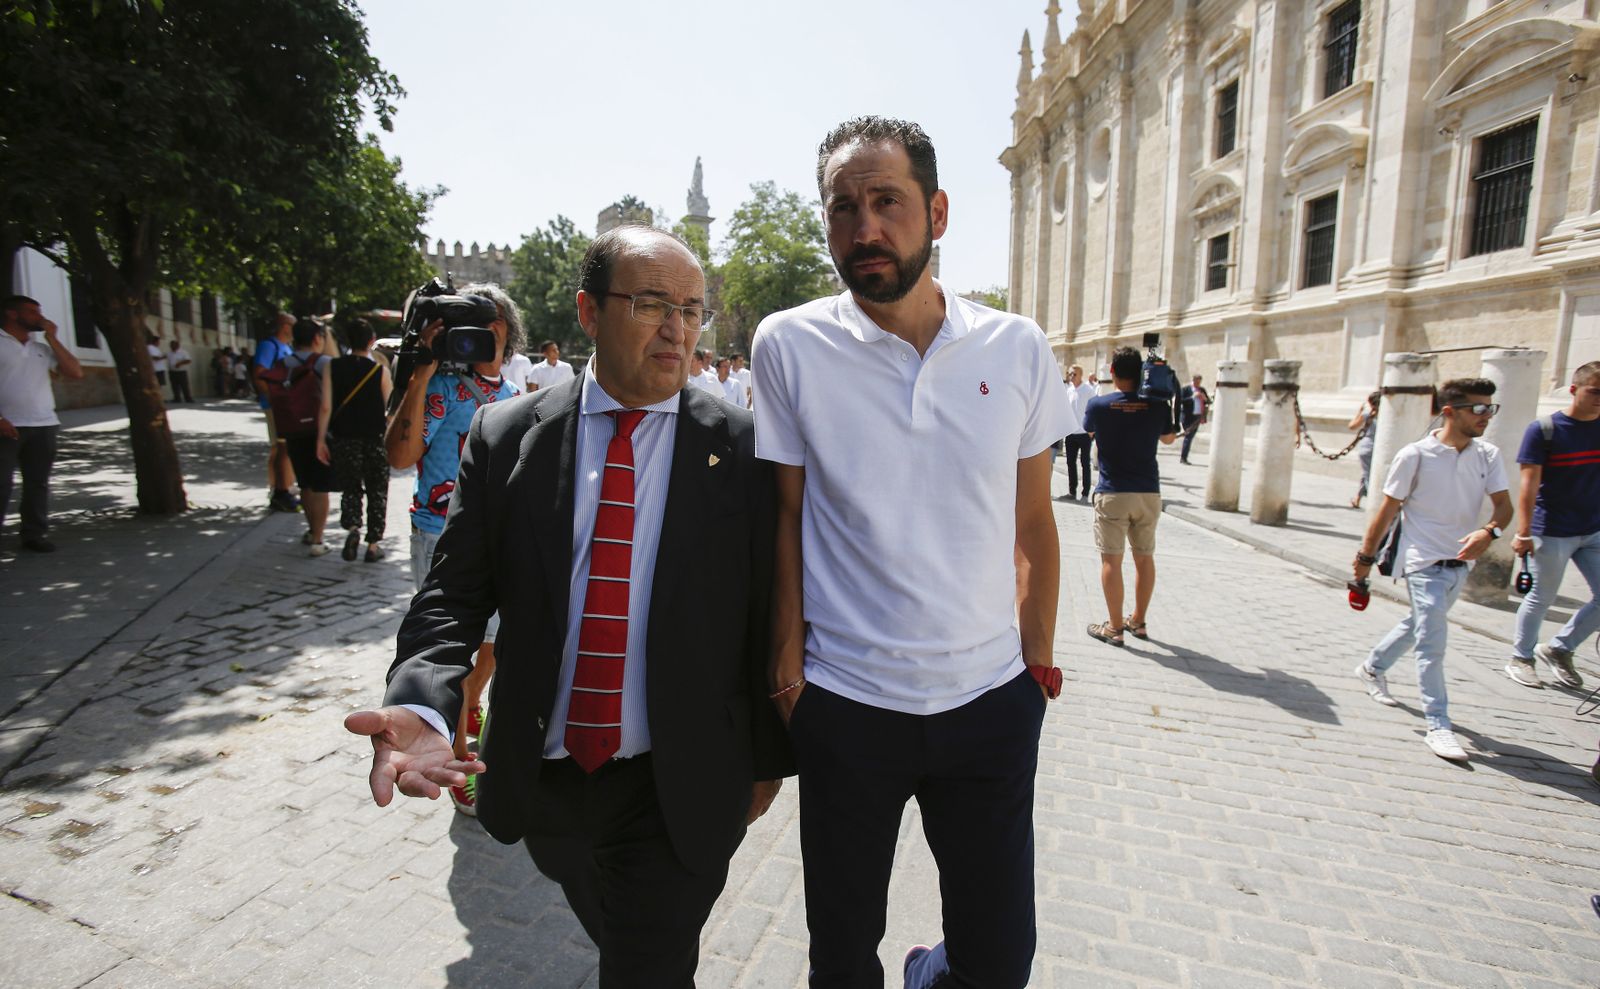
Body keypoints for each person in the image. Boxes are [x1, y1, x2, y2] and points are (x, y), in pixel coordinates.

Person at [347, 226, 789, 982]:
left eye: (692, 308)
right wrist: (421, 704)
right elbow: (452, 593)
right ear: (588, 311)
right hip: (548, 784)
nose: (678, 328)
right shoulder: (506, 435)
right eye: (652, 303)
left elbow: (765, 611)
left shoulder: (741, 448)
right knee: (624, 936)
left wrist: (767, 758)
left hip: (678, 785)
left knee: (647, 963)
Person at [753, 116, 1070, 989]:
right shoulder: (789, 343)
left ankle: (932, 972)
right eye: (843, 207)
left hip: (988, 706)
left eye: (886, 201)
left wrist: (1034, 663)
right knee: (842, 960)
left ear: (934, 210)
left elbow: (1035, 521)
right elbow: (786, 513)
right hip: (848, 704)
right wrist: (788, 671)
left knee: (999, 962)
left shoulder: (1016, 347)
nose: (865, 228)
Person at [381, 282, 522, 815]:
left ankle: (470, 705)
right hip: (440, 536)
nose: (481, 336)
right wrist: (419, 369)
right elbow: (399, 455)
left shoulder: (515, 398)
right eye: (471, 326)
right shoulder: (438, 388)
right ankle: (459, 751)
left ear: (508, 335)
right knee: (455, 649)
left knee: (491, 648)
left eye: (492, 325)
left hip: (502, 537)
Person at [1352, 378, 1512, 762]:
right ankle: (1438, 724)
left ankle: (1372, 667)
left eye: (1490, 408)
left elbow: (1504, 507)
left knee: (1421, 623)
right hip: (1422, 560)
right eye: (1478, 409)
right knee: (1432, 641)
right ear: (1449, 411)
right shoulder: (1415, 455)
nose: (1486, 416)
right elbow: (1387, 512)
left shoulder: (1487, 455)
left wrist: (1488, 533)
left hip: (1461, 562)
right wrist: (1363, 562)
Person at [1505, 361, 1600, 689]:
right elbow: (1528, 486)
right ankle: (1522, 657)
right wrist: (1523, 531)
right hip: (1551, 529)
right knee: (1541, 597)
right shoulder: (1545, 429)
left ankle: (1560, 649)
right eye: (1595, 391)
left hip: (1593, 530)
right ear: (1574, 389)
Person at [1082, 347, 1177, 647]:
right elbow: (1169, 438)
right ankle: (1138, 620)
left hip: (1113, 491)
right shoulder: (1158, 406)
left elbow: (1089, 432)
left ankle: (1114, 627)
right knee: (1144, 558)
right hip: (1148, 492)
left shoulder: (1098, 405)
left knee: (1112, 560)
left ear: (1112, 372)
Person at [0, 295, 83, 552]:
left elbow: (75, 372)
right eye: (33, 313)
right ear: (13, 314)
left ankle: (34, 534)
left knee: (38, 482)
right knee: (2, 482)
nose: (41, 317)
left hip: (43, 424)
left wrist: (52, 338)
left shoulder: (42, 348)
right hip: (7, 426)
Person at [317, 319, 394, 563]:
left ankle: (352, 529)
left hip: (344, 438)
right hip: (374, 438)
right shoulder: (379, 370)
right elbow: (389, 409)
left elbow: (326, 405)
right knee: (377, 489)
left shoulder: (333, 367)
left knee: (351, 487)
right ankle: (373, 544)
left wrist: (320, 439)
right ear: (372, 341)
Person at [278, 319, 339, 555]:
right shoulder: (325, 363)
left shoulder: (284, 363)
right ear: (317, 339)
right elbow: (327, 404)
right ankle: (318, 539)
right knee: (320, 484)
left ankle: (312, 529)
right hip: (318, 431)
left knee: (304, 482)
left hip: (293, 429)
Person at [254, 313, 298, 512]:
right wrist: (273, 399)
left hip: (285, 404)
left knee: (278, 448)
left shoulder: (286, 347)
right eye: (293, 325)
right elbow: (259, 373)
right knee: (282, 448)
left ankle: (278, 487)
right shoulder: (269, 346)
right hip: (276, 405)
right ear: (285, 326)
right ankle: (281, 490)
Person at [1061, 363, 1096, 501]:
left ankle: (1085, 493)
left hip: (1084, 433)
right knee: (1070, 463)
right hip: (1071, 433)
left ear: (1081, 375)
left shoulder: (1088, 390)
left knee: (1084, 463)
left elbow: (1093, 409)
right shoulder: (1069, 390)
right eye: (1069, 374)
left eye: (1074, 374)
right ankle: (1072, 491)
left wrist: (1092, 430)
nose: (1071, 376)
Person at [1348, 391, 1380, 508]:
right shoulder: (1386, 416)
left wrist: (1359, 412)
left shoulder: (1366, 414)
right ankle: (1373, 499)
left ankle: (1360, 499)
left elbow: (1351, 426)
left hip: (1366, 448)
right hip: (1377, 449)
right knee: (1369, 475)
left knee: (1367, 475)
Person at [1176, 374, 1208, 465]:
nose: (1198, 383)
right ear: (1193, 381)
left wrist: (1204, 398)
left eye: (1199, 382)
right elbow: (1181, 401)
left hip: (1197, 417)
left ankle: (1184, 457)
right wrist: (1192, 397)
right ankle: (1183, 458)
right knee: (1188, 437)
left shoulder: (1202, 390)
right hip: (1187, 417)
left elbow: (1208, 401)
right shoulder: (1186, 389)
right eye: (1196, 381)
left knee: (1190, 437)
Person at [167, 338, 194, 403]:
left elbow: (188, 360)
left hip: (181, 371)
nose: (172, 346)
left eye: (173, 345)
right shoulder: (169, 353)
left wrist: (180, 363)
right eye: (171, 345)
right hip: (172, 371)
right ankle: (177, 398)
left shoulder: (183, 352)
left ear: (177, 345)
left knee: (184, 385)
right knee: (174, 386)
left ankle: (188, 398)